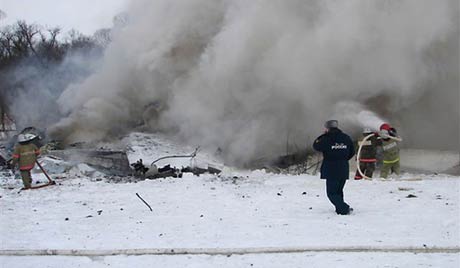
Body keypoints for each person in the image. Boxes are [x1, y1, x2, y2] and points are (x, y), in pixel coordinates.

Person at [313, 120, 355, 215]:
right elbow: (352, 151)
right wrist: (343, 159)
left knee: (331, 193)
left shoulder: (326, 139)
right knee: (339, 191)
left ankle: (344, 208)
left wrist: (323, 135)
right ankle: (340, 209)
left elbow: (316, 146)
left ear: (327, 128)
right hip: (343, 168)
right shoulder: (346, 138)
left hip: (331, 169)